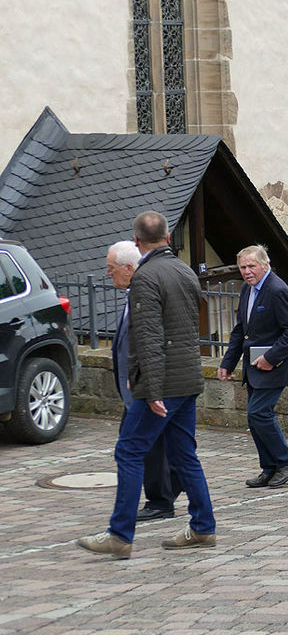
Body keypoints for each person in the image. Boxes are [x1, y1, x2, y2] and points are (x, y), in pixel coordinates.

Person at [76, 212, 216, 559]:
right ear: (168, 238)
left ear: (137, 243)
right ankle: (202, 527)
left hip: (162, 383)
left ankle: (120, 534)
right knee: (185, 454)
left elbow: (151, 339)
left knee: (129, 450)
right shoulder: (185, 271)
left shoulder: (145, 278)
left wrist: (151, 391)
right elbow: (184, 331)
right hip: (188, 378)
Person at [105, 240, 180, 521]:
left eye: (111, 269)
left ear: (128, 268)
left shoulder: (145, 293)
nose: (109, 274)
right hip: (139, 385)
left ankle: (159, 501)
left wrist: (147, 382)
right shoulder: (134, 293)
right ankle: (166, 493)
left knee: (133, 446)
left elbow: (153, 341)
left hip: (148, 385)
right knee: (160, 444)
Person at [218, 245, 288, 488]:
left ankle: (287, 459)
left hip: (275, 365)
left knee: (259, 413)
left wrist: (271, 357)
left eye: (251, 266)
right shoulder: (247, 289)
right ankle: (269, 467)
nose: (246, 271)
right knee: (254, 417)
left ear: (264, 265)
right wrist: (227, 363)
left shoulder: (277, 290)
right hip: (253, 365)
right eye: (242, 267)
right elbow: (240, 331)